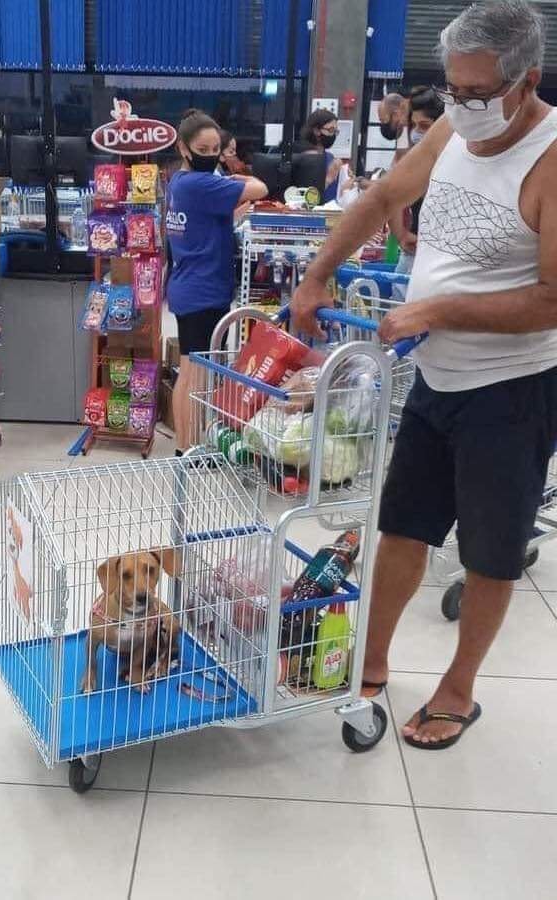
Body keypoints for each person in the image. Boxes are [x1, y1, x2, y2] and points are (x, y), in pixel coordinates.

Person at [291, 0, 557, 750]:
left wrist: (438, 307)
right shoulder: (452, 126)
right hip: (434, 382)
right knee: (401, 527)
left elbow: (552, 299)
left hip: (511, 392)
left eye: (478, 94)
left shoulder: (551, 159)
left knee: (490, 553)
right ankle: (369, 665)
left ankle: (458, 689)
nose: (462, 108)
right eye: (452, 91)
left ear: (526, 79)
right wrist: (317, 275)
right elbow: (382, 197)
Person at [166, 110, 268, 455]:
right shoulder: (199, 183)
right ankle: (188, 449)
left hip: (188, 285)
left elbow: (203, 222)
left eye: (216, 149)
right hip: (202, 291)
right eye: (204, 149)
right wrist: (232, 179)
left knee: (190, 371)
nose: (210, 156)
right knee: (195, 376)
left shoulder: (179, 183)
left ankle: (187, 445)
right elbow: (259, 187)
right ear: (184, 148)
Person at [391, 87, 445, 275]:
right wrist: (401, 235)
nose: (416, 133)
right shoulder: (416, 159)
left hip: (442, 259)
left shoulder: (454, 160)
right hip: (414, 252)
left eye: (424, 126)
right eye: (413, 125)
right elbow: (394, 186)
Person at [295, 108, 343, 202]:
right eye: (330, 130)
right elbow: (304, 199)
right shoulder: (305, 157)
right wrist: (329, 178)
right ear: (316, 130)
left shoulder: (329, 157)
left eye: (335, 131)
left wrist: (345, 182)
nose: (333, 135)